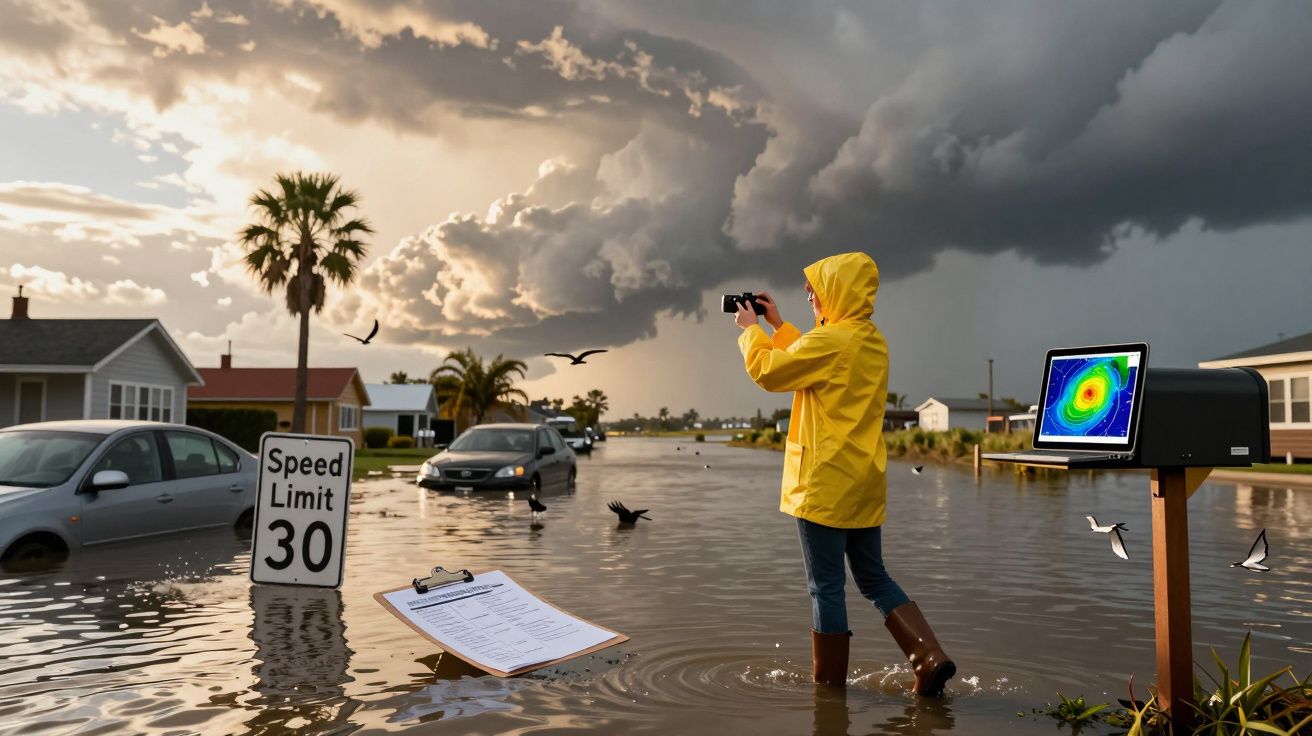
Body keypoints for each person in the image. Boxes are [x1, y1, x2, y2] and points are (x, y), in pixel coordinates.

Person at [732, 251, 955, 695]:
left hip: (823, 483)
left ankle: (829, 694)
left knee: (826, 589)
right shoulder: (871, 340)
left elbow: (771, 372)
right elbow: (811, 359)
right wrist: (779, 326)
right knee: (874, 578)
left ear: (836, 292)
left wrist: (750, 331)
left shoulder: (830, 341)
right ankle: (929, 659)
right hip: (862, 482)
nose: (810, 297)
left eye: (815, 290)